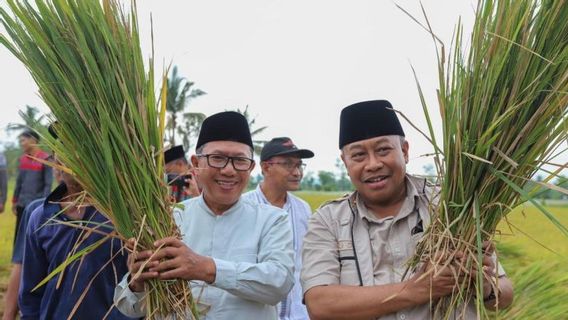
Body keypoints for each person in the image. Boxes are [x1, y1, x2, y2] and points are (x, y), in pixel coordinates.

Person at [300, 100, 514, 320]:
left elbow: (504, 296)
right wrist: (418, 289)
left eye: (383, 150)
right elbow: (321, 305)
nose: (373, 164)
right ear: (345, 163)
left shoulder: (451, 205)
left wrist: (484, 283)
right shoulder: (328, 221)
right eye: (358, 156)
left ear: (405, 151)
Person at [114, 111, 295, 320]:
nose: (228, 170)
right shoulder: (167, 219)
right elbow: (128, 307)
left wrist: (206, 268)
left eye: (240, 160)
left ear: (252, 167)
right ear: (196, 163)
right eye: (217, 158)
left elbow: (279, 284)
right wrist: (137, 283)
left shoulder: (272, 220)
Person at [18, 148, 138, 319]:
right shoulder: (40, 217)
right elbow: (31, 293)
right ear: (55, 159)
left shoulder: (124, 216)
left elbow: (140, 286)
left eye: (74, 147)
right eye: (62, 149)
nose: (70, 157)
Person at [243, 137, 314, 320]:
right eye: (289, 165)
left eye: (299, 165)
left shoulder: (303, 209)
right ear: (266, 167)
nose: (297, 172)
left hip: (299, 314)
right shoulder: (244, 207)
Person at [12, 130, 53, 243]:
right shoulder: (23, 159)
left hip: (36, 206)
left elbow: (48, 184)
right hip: (22, 204)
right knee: (19, 236)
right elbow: (19, 182)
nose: (21, 143)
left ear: (33, 140)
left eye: (23, 140)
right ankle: (18, 260)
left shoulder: (46, 159)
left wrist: (43, 204)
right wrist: (15, 201)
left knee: (33, 236)